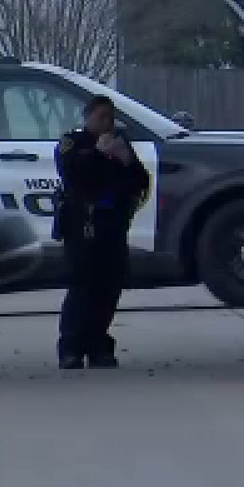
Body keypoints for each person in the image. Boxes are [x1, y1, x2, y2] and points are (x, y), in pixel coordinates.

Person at [53, 95, 150, 369]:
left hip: (112, 224)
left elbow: (140, 181)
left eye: (110, 117)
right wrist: (98, 153)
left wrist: (126, 159)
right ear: (88, 117)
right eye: (101, 117)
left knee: (110, 285)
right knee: (83, 285)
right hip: (82, 223)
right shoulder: (73, 143)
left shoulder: (120, 143)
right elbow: (73, 174)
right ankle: (70, 348)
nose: (107, 123)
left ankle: (98, 345)